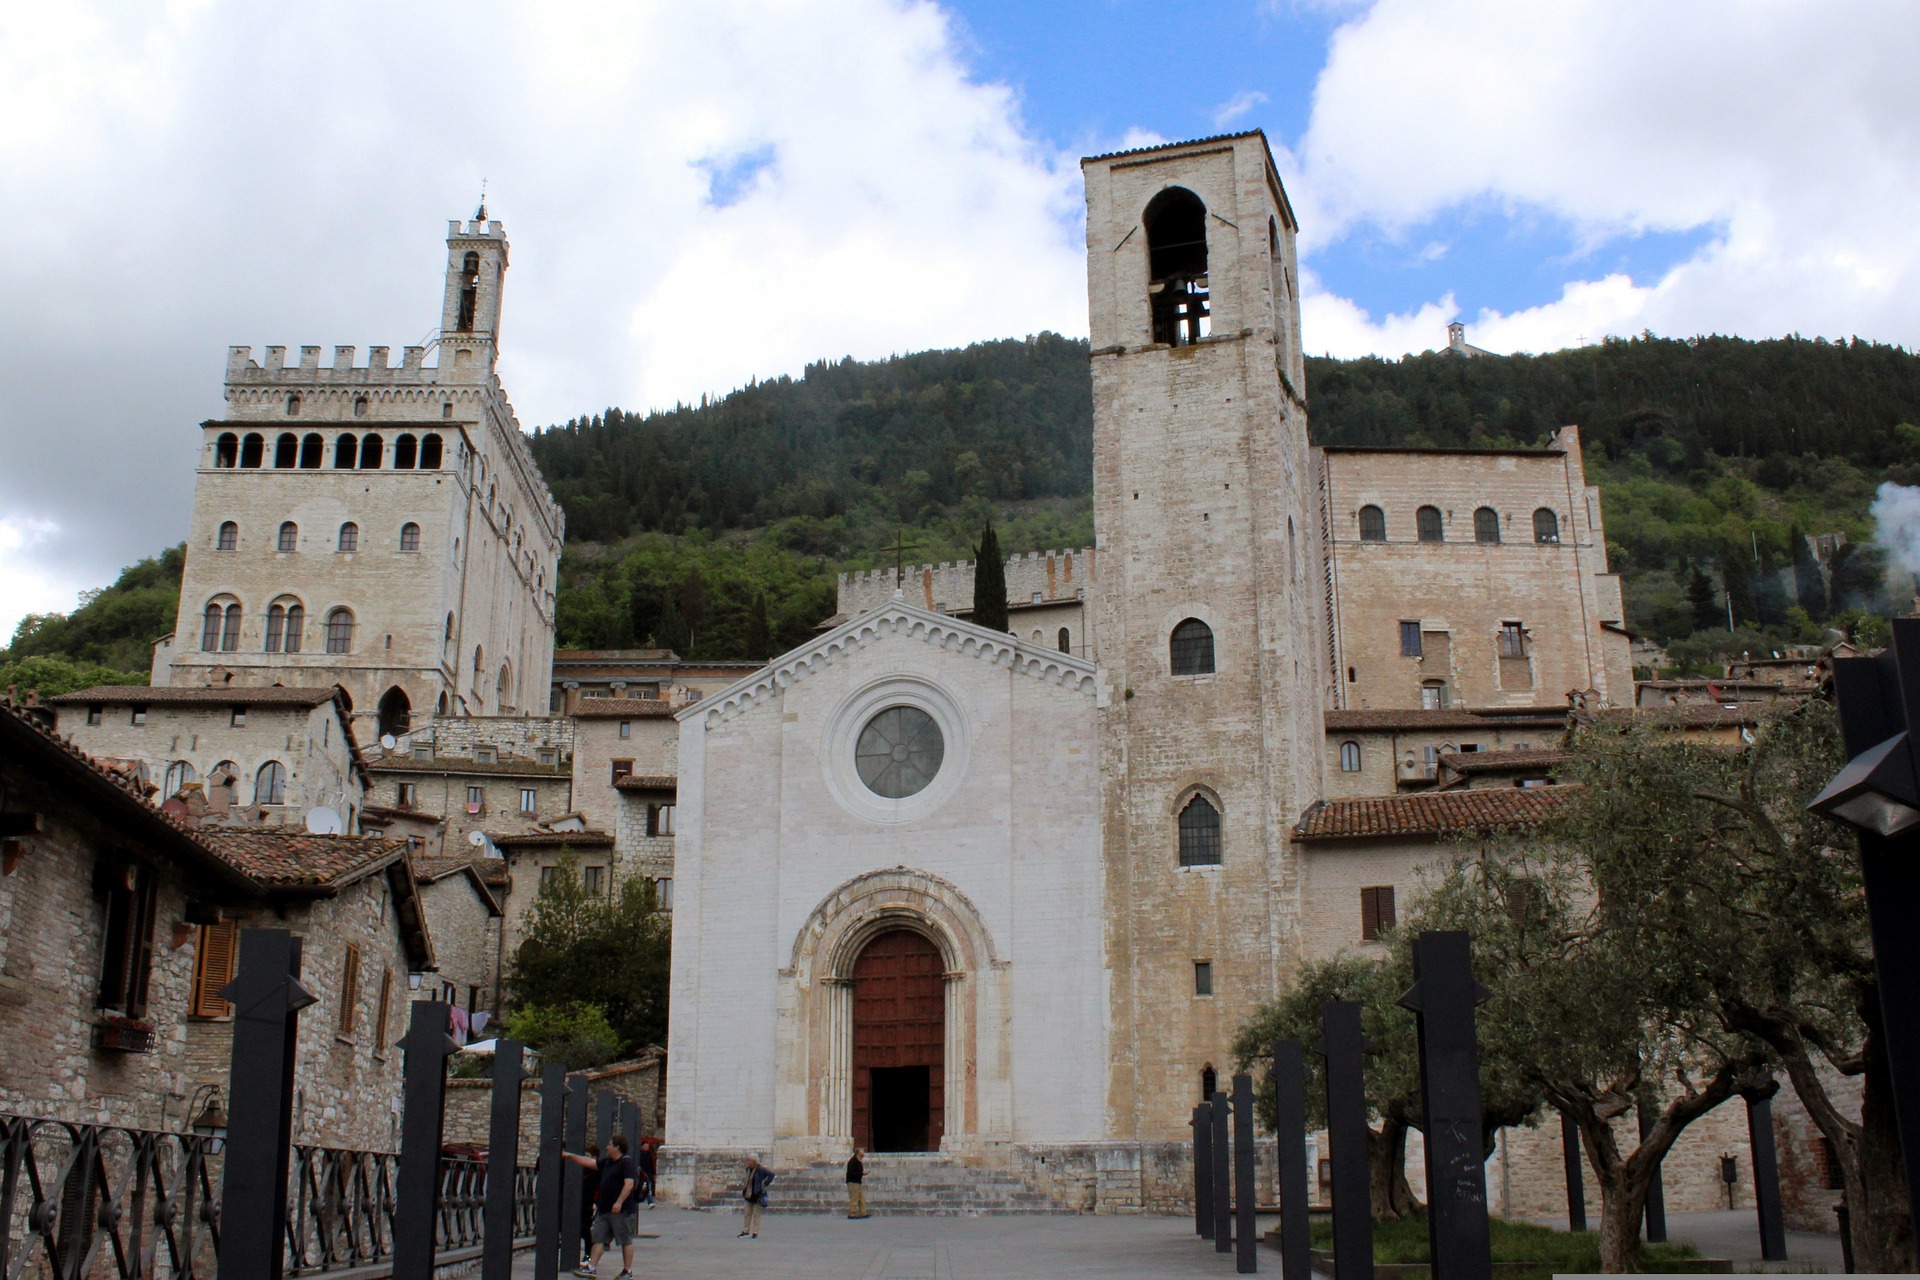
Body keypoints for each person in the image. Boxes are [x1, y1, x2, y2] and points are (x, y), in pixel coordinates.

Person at [563, 1134, 639, 1278]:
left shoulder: (626, 1163)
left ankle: (627, 1270)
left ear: (617, 1147)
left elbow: (629, 1184)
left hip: (621, 1211)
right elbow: (590, 1163)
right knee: (598, 1238)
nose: (607, 1147)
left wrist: (619, 1202)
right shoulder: (608, 1162)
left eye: (609, 1145)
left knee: (625, 1239)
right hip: (604, 1209)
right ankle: (591, 1267)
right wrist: (571, 1156)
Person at [738, 1155, 775, 1238]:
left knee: (756, 1214)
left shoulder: (761, 1169)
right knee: (747, 1213)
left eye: (750, 1161)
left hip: (757, 1194)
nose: (748, 1163)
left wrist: (765, 1183)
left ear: (754, 1162)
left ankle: (755, 1232)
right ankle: (745, 1231)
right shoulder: (748, 1169)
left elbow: (771, 1174)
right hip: (748, 1194)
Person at [576, 1142, 600, 1268]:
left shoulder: (596, 1171)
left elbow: (597, 1188)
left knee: (585, 1228)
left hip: (589, 1203)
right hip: (581, 1201)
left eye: (587, 1155)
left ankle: (587, 1254)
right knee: (582, 1228)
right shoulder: (582, 1169)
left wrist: (596, 1203)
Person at [845, 1148, 868, 1219]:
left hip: (857, 1182)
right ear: (858, 1153)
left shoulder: (858, 1161)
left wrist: (861, 1174)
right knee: (854, 1199)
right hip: (853, 1182)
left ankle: (863, 1213)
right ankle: (852, 1214)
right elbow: (852, 1172)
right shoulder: (853, 1162)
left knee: (861, 1198)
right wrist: (862, 1173)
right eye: (862, 1153)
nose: (863, 1154)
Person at [637, 1139, 657, 1209]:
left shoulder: (649, 1154)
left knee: (649, 1188)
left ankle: (650, 1202)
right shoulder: (640, 1154)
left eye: (647, 1146)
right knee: (644, 1188)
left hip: (648, 1174)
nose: (647, 1148)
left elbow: (651, 1165)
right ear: (642, 1147)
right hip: (642, 1174)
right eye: (645, 1146)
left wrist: (654, 1174)